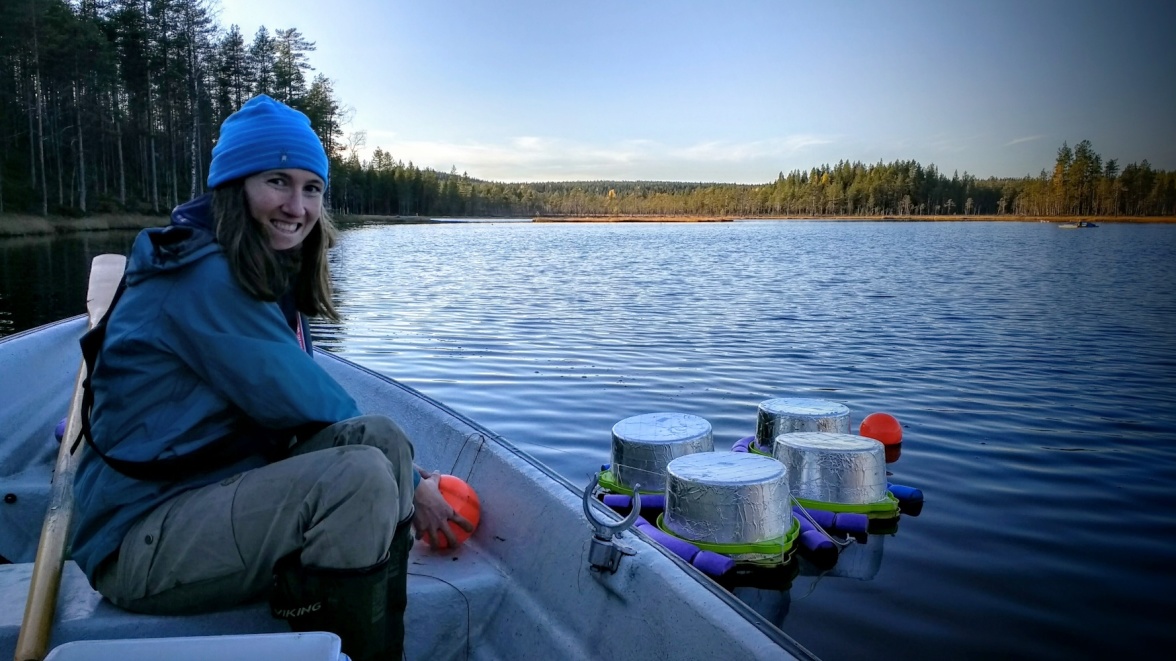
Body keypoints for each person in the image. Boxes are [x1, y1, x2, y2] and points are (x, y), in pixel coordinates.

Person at [70, 94, 473, 661]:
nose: (297, 205)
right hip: (137, 542)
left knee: (380, 437)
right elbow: (308, 399)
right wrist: (416, 489)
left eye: (312, 187)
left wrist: (412, 474)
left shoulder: (245, 265)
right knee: (358, 477)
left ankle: (378, 643)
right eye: (277, 182)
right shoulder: (203, 279)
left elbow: (320, 412)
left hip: (205, 492)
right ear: (236, 188)